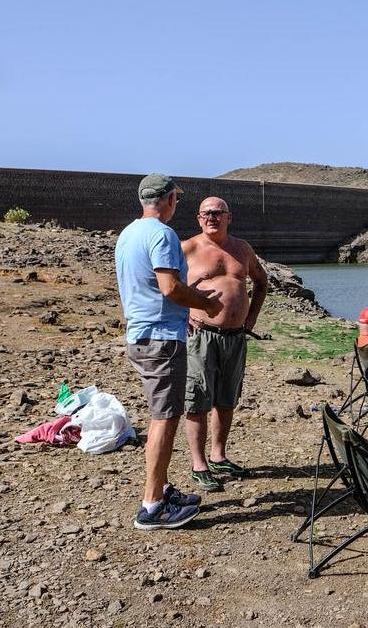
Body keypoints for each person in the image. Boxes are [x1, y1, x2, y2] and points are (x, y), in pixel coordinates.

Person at [116, 173, 224, 530]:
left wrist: (182, 310)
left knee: (162, 413)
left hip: (143, 334)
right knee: (165, 418)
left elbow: (148, 287)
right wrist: (203, 304)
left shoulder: (128, 233)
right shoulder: (162, 234)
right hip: (161, 341)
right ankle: (152, 508)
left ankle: (161, 490)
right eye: (176, 198)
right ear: (168, 201)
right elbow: (170, 288)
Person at [181, 197, 269, 492]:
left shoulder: (242, 249)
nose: (212, 218)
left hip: (235, 337)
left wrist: (252, 317)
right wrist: (182, 315)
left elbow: (261, 281)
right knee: (197, 399)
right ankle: (199, 464)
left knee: (226, 399)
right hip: (201, 336)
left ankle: (218, 456)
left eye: (218, 213)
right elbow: (165, 286)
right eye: (206, 214)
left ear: (229, 217)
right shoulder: (188, 248)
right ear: (198, 218)